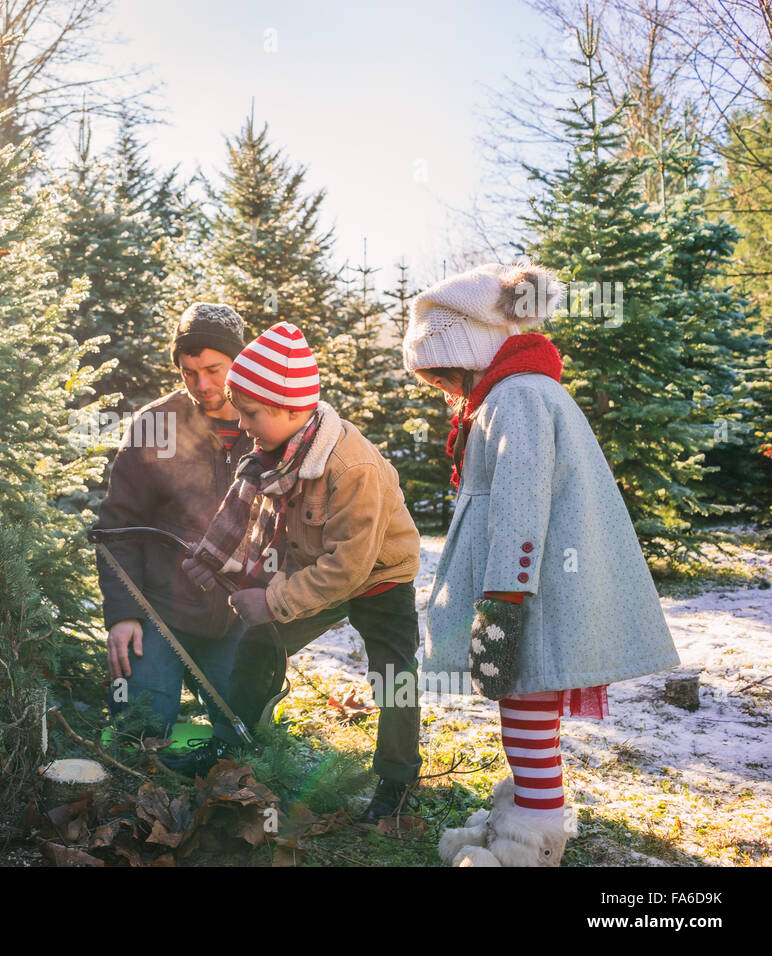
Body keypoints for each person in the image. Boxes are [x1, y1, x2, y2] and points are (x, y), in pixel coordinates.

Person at [402, 262, 680, 865]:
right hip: (532, 591)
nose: (444, 391)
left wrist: (503, 604)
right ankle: (523, 815)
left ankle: (532, 842)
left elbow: (522, 505)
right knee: (525, 713)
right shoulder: (513, 391)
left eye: (443, 376)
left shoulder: (517, 397)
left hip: (532, 596)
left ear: (467, 353)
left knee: (525, 708)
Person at [181, 321, 424, 822]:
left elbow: (349, 567)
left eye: (250, 413)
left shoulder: (352, 467)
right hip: (316, 566)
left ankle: (396, 783)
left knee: (394, 675)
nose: (243, 424)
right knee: (258, 642)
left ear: (291, 409)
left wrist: (272, 600)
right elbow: (254, 520)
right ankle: (235, 745)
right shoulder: (278, 453)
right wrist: (215, 560)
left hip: (379, 576)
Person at [94, 302, 257, 759]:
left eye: (213, 370)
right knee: (139, 735)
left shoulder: (269, 421)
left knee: (249, 743)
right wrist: (123, 613)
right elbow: (116, 528)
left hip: (235, 620)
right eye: (189, 372)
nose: (202, 385)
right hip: (159, 614)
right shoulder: (155, 425)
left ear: (239, 363)